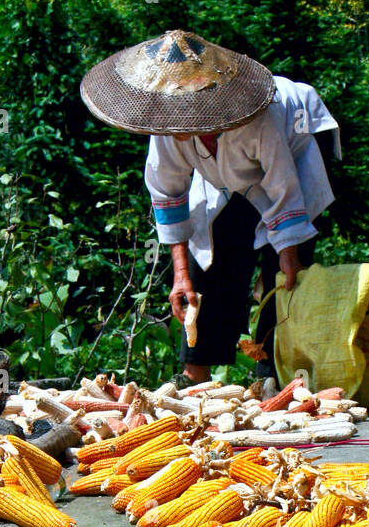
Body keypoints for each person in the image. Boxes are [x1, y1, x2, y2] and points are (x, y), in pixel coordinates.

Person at [81, 30, 339, 386]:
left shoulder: (260, 119)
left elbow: (283, 187)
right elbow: (168, 195)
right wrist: (180, 276)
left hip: (299, 140)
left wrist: (288, 253)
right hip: (228, 173)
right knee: (214, 256)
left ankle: (273, 374)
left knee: (281, 274)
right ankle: (195, 376)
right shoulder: (169, 129)